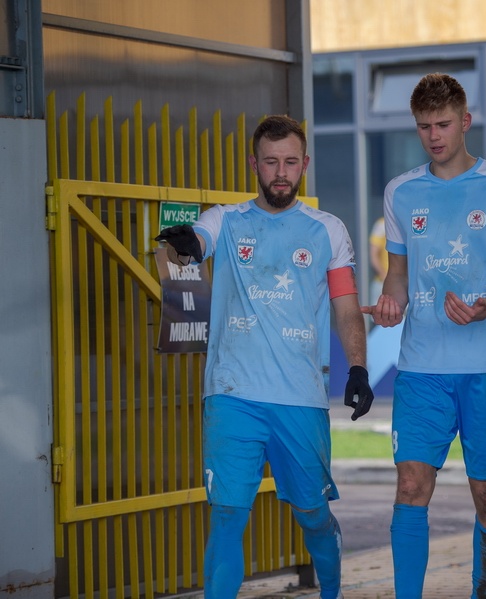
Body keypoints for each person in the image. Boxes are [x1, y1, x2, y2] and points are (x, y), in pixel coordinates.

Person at [155, 114, 374, 599]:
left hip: (300, 398)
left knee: (313, 516)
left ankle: (333, 590)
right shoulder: (227, 219)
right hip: (232, 395)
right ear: (254, 163)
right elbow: (200, 239)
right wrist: (189, 244)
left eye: (290, 162)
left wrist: (358, 366)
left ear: (304, 164)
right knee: (228, 514)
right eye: (271, 161)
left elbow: (344, 305)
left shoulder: (328, 230)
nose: (281, 172)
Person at [361, 73, 486, 599]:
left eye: (443, 124)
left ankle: (485, 590)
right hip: (422, 367)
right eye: (423, 127)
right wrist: (392, 303)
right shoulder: (400, 191)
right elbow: (398, 274)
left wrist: (484, 308)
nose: (434, 135)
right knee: (411, 486)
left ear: (465, 121)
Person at [369, 216, 389, 305]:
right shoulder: (382, 224)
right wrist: (385, 277)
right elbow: (373, 255)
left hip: (408, 283)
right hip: (384, 282)